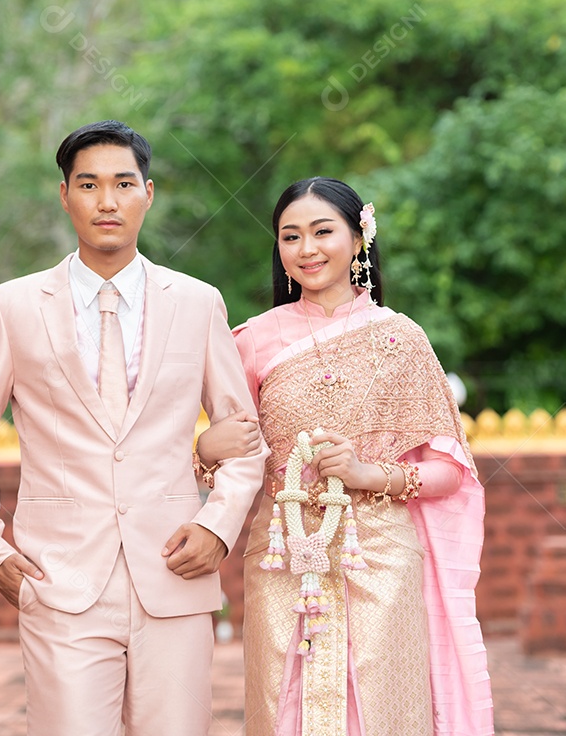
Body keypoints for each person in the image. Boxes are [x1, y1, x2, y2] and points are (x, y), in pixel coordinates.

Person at [0, 119, 267, 736]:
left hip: (175, 571)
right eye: (88, 185)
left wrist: (218, 526)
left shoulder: (198, 303)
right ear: (64, 195)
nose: (107, 201)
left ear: (149, 191)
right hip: (58, 580)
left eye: (123, 183)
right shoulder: (12, 307)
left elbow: (244, 436)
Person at [198, 176, 494, 736]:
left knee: (384, 708)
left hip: (380, 556)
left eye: (322, 231)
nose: (306, 249)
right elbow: (231, 454)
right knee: (280, 703)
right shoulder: (251, 340)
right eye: (290, 236)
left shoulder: (401, 338)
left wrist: (368, 474)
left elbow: (450, 471)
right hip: (283, 555)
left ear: (360, 237)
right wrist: (204, 451)